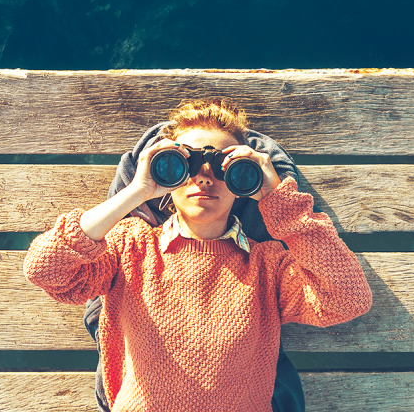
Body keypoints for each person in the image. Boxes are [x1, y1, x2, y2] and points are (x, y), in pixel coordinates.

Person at [23, 98, 372, 412]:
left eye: (225, 168)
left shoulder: (267, 267)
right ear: (163, 176)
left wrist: (276, 196)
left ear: (243, 185)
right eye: (184, 165)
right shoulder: (129, 246)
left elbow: (347, 299)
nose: (205, 178)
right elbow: (45, 267)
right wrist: (135, 192)